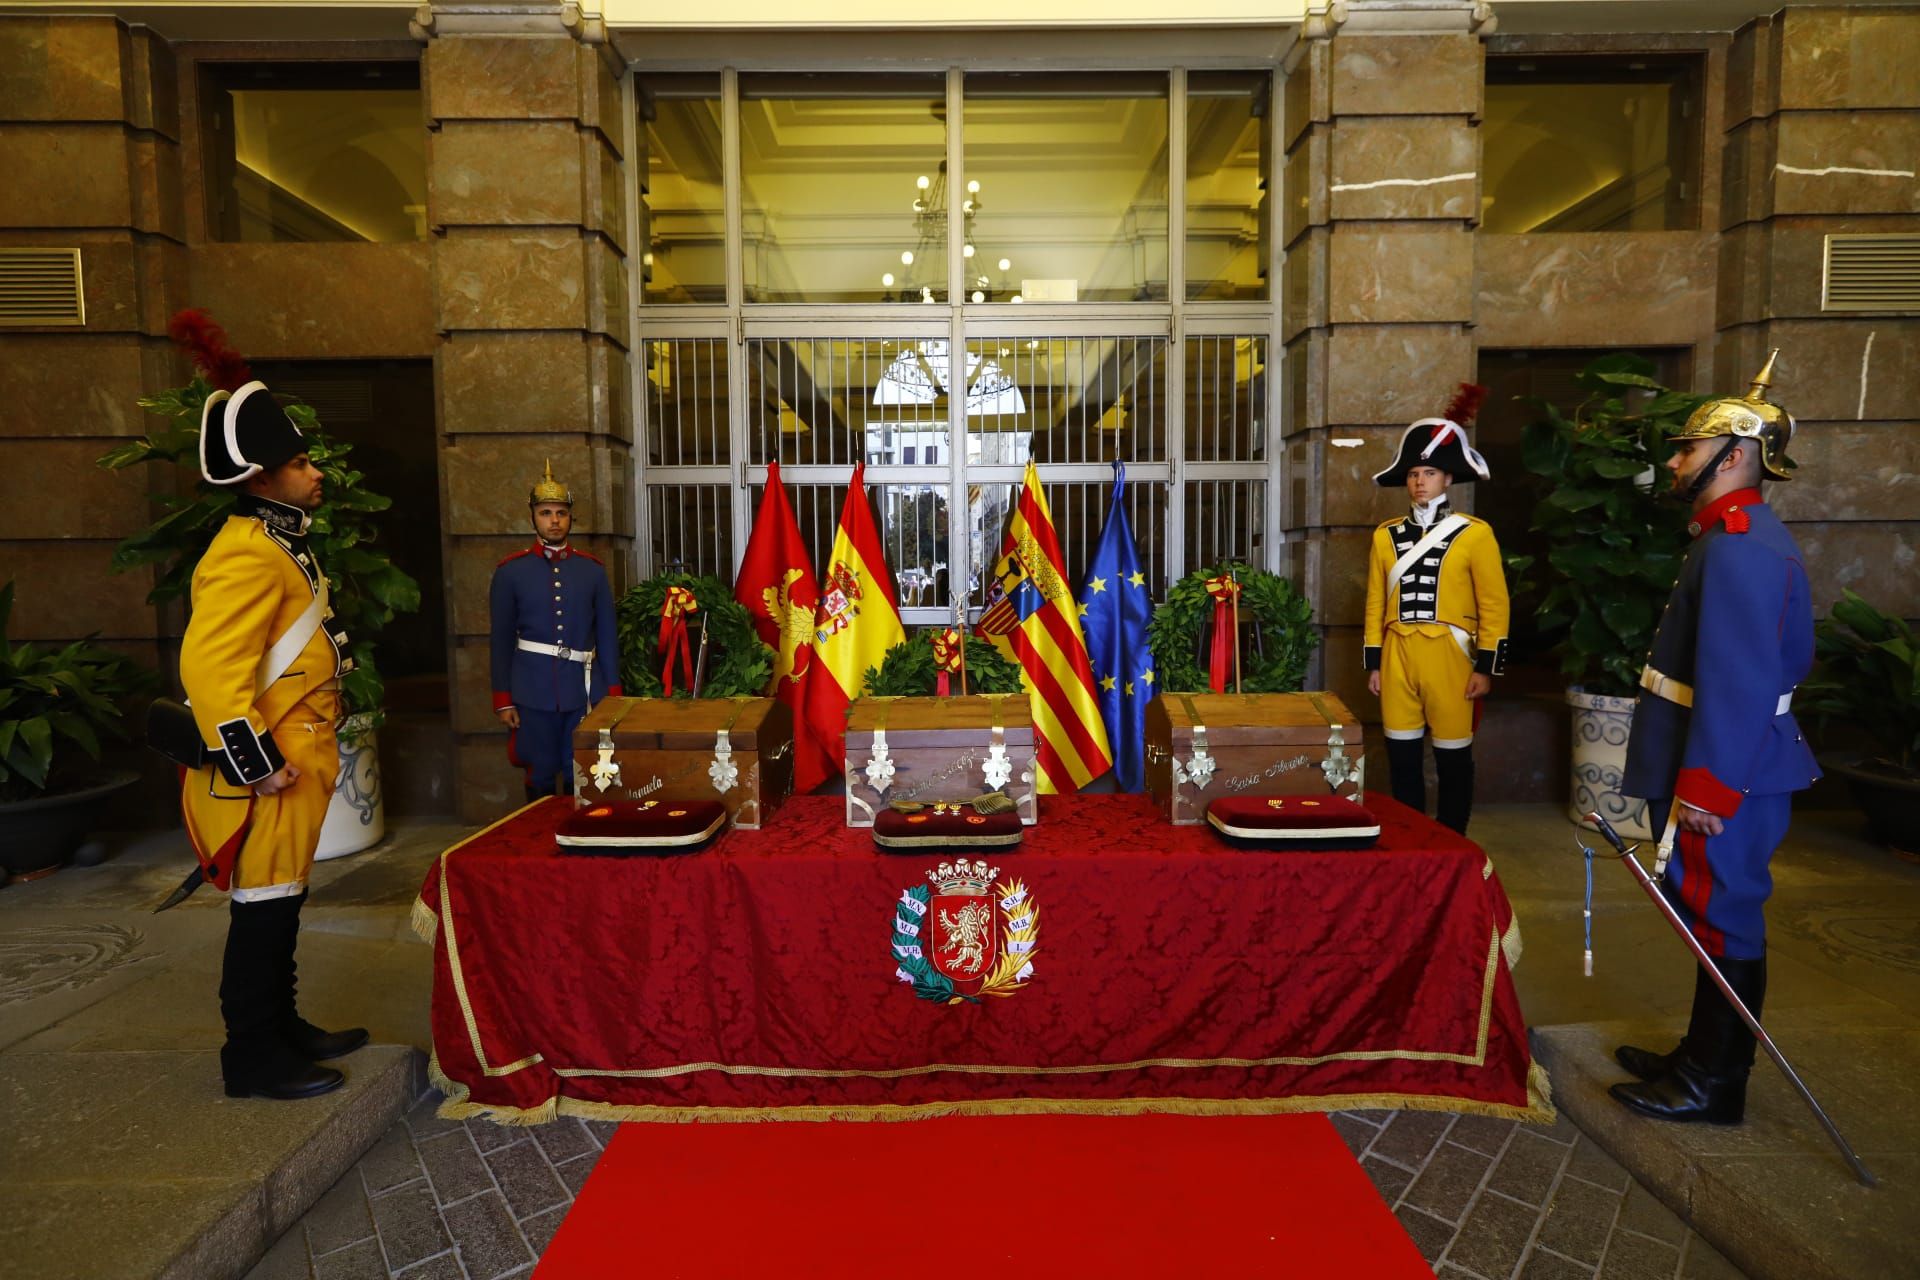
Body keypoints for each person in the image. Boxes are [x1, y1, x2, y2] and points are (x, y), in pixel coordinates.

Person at [1610, 352, 1819, 1125]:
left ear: (1736, 457)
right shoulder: (1728, 536)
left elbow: (1737, 683)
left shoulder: (1739, 546)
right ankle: (1698, 1056)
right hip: (1730, 762)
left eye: (1687, 449)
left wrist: (1705, 789)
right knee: (1705, 911)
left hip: (1734, 771)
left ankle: (1715, 1083)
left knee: (1723, 914)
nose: (1673, 461)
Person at [180, 380, 367, 1101]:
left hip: (301, 749)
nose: (314, 472)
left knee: (282, 899)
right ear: (260, 476)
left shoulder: (279, 541)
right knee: (262, 909)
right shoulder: (247, 552)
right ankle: (252, 1054)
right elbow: (210, 669)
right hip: (273, 763)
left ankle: (284, 1027)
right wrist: (257, 765)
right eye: (299, 462)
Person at [1363, 385, 1510, 835]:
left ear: (1449, 478)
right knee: (1401, 753)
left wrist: (1486, 666)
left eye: (1429, 472)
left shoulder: (1474, 533)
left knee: (1452, 755)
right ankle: (1410, 834)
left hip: (1451, 653)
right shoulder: (1385, 536)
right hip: (1398, 653)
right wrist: (1374, 662)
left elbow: (1494, 604)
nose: (1419, 481)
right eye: (1413, 474)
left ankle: (1451, 836)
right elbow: (1374, 602)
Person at [489, 461, 621, 801]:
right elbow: (501, 640)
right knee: (540, 770)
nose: (554, 520)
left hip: (583, 689)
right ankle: (538, 841)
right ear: (532, 516)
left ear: (570, 517)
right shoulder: (511, 572)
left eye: (561, 512)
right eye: (546, 512)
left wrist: (612, 693)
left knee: (584, 767)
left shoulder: (591, 571)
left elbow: (606, 634)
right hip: (532, 691)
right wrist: (503, 699)